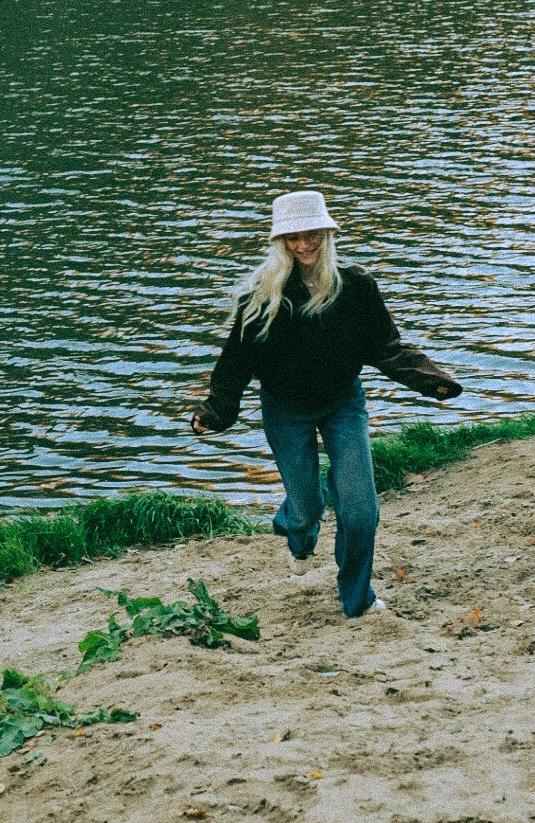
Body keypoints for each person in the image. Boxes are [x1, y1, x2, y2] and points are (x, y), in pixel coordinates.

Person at [191, 190, 462, 619]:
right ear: (280, 242)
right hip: (285, 410)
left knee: (360, 512)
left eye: (312, 234)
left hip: (342, 404)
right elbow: (234, 366)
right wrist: (215, 412)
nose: (304, 245)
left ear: (327, 232)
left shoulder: (355, 287)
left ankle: (357, 600)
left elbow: (386, 348)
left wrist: (432, 382)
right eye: (293, 238)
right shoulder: (260, 299)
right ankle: (298, 527)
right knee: (307, 506)